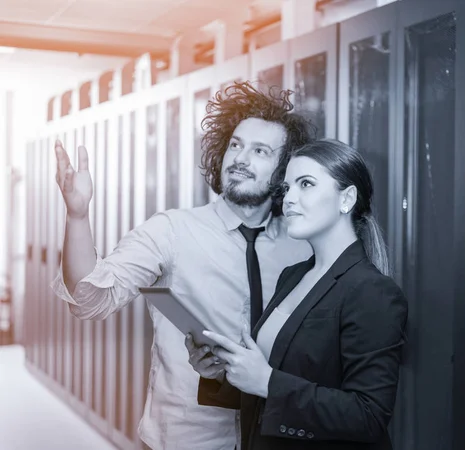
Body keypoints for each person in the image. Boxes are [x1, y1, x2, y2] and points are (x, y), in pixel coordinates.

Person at [51, 82, 315, 450]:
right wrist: (77, 217)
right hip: (185, 440)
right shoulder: (172, 230)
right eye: (235, 145)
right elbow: (89, 301)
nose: (240, 158)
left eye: (260, 151)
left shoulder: (301, 246)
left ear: (285, 169)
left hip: (275, 437)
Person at [188, 139, 408, 450]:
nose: (289, 198)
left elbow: (368, 415)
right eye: (287, 188)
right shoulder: (292, 276)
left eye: (306, 184)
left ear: (346, 199)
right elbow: (272, 386)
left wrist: (267, 381)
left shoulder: (373, 292)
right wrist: (220, 375)